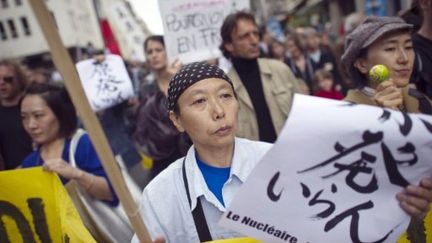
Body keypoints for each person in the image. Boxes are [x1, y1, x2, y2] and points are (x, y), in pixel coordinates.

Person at [131, 62, 432, 243]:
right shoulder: (161, 195)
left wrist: (399, 204)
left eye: (225, 96)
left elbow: (344, 224)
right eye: (199, 102)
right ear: (177, 120)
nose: (218, 111)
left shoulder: (280, 161)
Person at [20, 82, 117, 205]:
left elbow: (113, 193)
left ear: (61, 114)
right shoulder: (30, 162)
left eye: (38, 116)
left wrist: (76, 175)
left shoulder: (86, 144)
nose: (31, 125)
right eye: (24, 117)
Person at [219, 11, 302, 143]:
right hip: (254, 162)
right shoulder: (224, 89)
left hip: (292, 155)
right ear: (229, 45)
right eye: (244, 36)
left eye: (255, 34)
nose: (254, 41)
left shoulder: (280, 70)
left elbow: (303, 116)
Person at [341, 16, 432, 114]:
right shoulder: (347, 114)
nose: (404, 59)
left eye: (408, 47)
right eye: (390, 49)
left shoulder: (421, 100)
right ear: (362, 64)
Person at [133, 35, 191, 180]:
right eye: (150, 52)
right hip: (164, 157)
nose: (154, 55)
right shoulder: (146, 88)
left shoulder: (184, 78)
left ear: (168, 51)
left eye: (158, 50)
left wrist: (177, 80)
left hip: (191, 149)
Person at [0, 60, 33, 170]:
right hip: (11, 176)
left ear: (19, 79)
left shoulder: (35, 106)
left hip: (40, 168)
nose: (2, 83)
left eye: (8, 79)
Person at [303, 27, 347, 93]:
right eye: (311, 38)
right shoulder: (305, 58)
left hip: (332, 90)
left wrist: (338, 83)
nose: (314, 40)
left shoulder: (327, 52)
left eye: (316, 37)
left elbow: (336, 70)